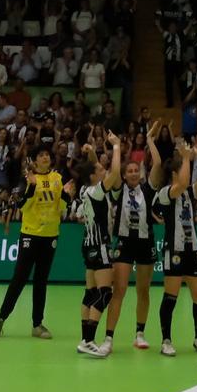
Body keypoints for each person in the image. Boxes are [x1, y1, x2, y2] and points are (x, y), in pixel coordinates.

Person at [0, 146, 64, 339]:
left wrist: (69, 194)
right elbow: (22, 206)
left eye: (47, 154)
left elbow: (62, 204)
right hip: (30, 235)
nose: (45, 157)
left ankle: (37, 325)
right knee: (19, 279)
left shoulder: (57, 178)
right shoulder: (27, 180)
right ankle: (0, 320)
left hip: (50, 235)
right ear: (35, 160)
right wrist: (31, 186)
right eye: (41, 155)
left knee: (41, 281)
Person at [153, 134, 197, 356]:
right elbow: (184, 183)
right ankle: (166, 340)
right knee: (171, 295)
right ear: (173, 174)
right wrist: (187, 158)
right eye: (182, 169)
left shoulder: (190, 192)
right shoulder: (166, 193)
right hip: (175, 249)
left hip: (193, 249)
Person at [106, 138, 161, 350]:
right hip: (124, 242)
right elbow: (114, 171)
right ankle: (109, 338)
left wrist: (150, 140)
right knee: (119, 289)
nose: (133, 173)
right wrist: (117, 146)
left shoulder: (147, 190)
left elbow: (157, 164)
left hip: (145, 242)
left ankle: (140, 333)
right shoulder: (119, 190)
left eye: (136, 170)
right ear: (124, 175)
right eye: (129, 171)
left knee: (143, 290)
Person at [75, 133, 118, 358]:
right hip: (100, 244)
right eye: (100, 170)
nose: (104, 170)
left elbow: (94, 167)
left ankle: (84, 339)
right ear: (94, 176)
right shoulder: (98, 190)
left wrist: (91, 150)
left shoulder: (85, 190)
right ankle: (90, 339)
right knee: (105, 294)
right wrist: (117, 147)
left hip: (87, 245)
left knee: (90, 293)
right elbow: (116, 173)